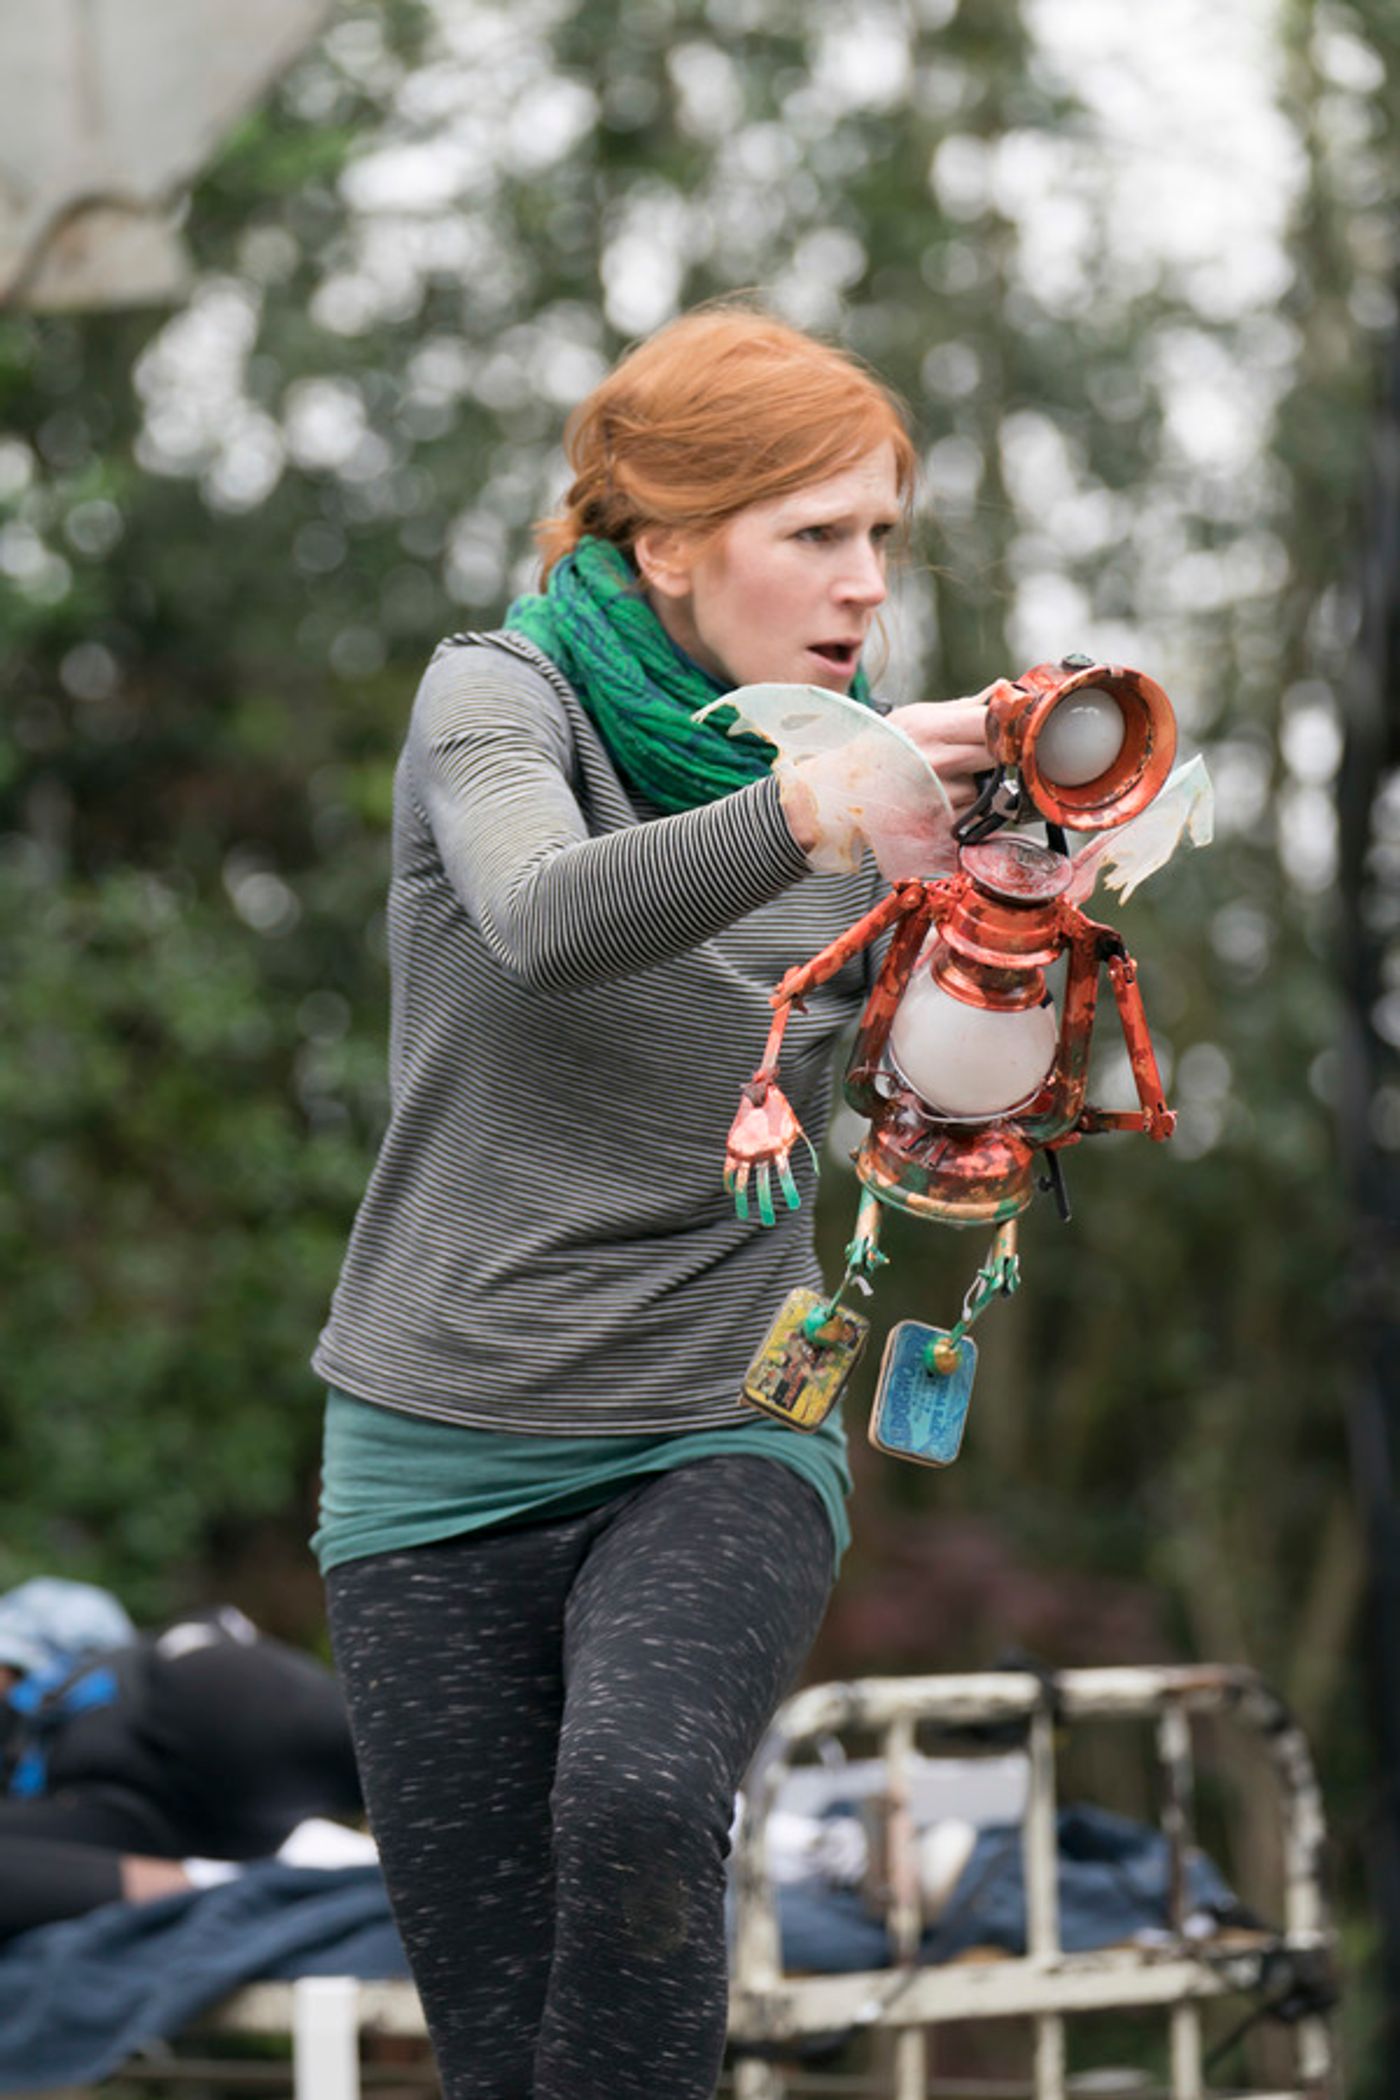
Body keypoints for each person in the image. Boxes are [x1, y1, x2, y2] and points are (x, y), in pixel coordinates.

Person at [311, 302, 994, 2100]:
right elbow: (541, 919)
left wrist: (1012, 943)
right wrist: (824, 808)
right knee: (503, 2035)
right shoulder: (501, 696)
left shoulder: (889, 793)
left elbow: (932, 1124)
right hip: (428, 1446)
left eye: (881, 541)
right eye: (816, 534)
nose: (864, 584)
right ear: (668, 543)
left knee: (638, 1794)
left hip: (724, 1414)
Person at [0, 1582, 362, 1938]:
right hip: (142, 1824)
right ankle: (225, 1895)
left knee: (348, 1744)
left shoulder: (101, 1672)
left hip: (179, 1709)